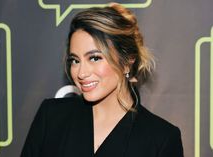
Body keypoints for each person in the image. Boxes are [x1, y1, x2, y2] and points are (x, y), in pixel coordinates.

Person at [21, 3, 184, 157]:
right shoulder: (51, 118)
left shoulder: (161, 139)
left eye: (94, 58)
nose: (81, 73)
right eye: (75, 60)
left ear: (126, 62)